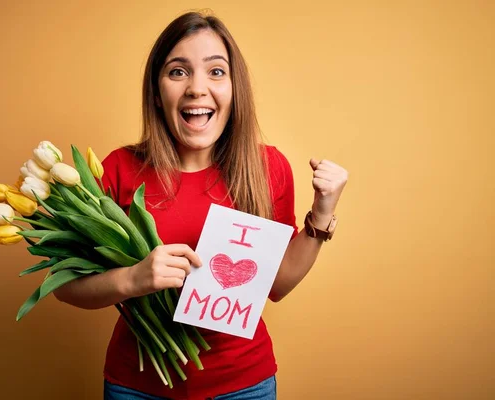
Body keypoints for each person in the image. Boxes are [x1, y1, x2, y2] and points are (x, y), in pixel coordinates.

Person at [53, 10, 348, 400]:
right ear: (157, 95)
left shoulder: (267, 168)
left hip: (243, 386)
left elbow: (276, 285)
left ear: (233, 89)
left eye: (215, 71)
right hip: (138, 388)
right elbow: (65, 285)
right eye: (178, 71)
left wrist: (323, 212)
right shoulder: (119, 169)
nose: (196, 88)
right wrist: (132, 279)